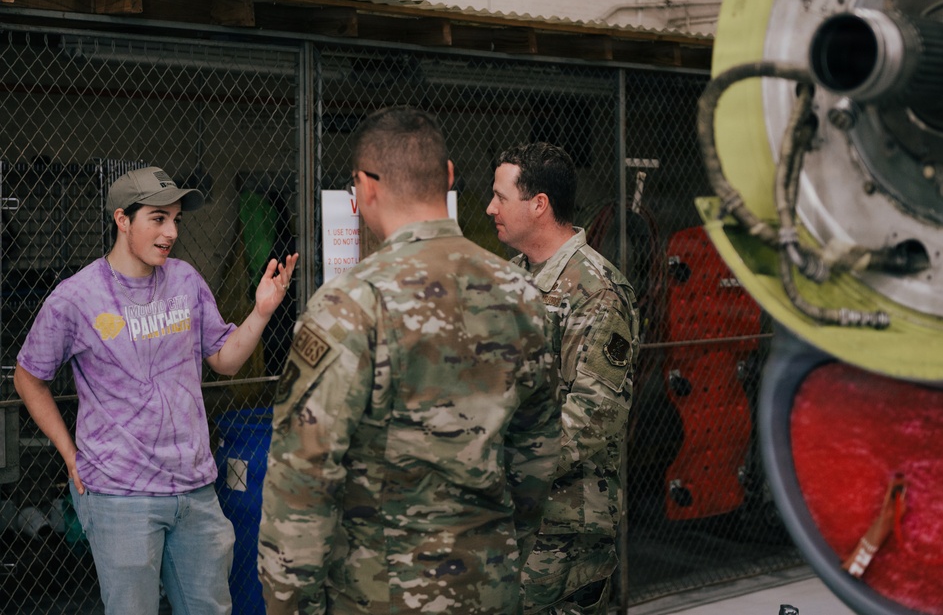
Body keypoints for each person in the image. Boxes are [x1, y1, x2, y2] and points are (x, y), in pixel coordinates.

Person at [258, 105, 561, 614]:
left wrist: (291, 604)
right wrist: (503, 554)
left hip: (380, 592)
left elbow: (303, 475)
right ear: (447, 177)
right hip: (491, 586)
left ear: (364, 188)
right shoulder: (522, 293)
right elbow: (537, 456)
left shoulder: (350, 303)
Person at [13, 166, 299, 615]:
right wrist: (69, 455)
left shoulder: (185, 281)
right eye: (158, 219)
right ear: (122, 220)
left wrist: (262, 312)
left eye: (176, 221)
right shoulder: (76, 298)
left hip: (195, 489)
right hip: (120, 493)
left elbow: (224, 359)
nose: (170, 232)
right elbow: (28, 376)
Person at [486, 142, 639, 615]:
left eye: (500, 196)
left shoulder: (597, 291)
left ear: (539, 204)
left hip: (563, 529)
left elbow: (593, 417)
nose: (490, 208)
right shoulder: (510, 279)